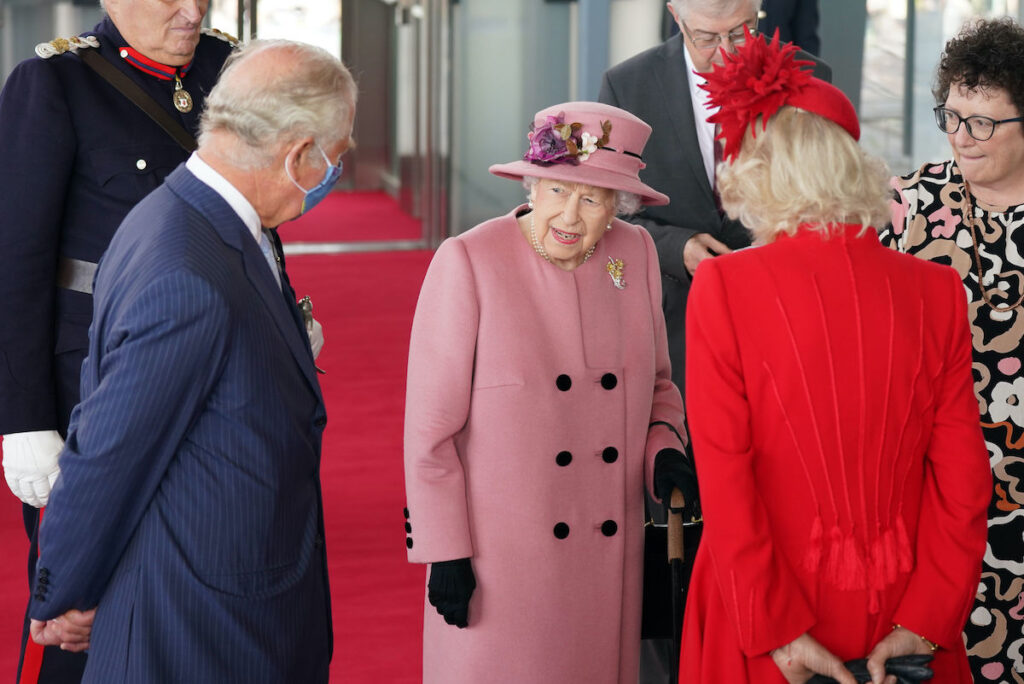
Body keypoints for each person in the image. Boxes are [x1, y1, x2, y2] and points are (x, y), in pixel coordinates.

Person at [24, 38, 355, 683]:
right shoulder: (188, 270)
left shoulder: (187, 213)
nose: (333, 175)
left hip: (224, 597)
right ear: (297, 155)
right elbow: (108, 452)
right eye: (335, 158)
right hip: (204, 627)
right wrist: (63, 594)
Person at [679, 32, 991, 684]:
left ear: (758, 170)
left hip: (767, 618)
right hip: (905, 613)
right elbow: (964, 485)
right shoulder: (936, 292)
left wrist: (779, 632)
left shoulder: (724, 288)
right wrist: (927, 619)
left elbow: (726, 484)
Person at [402, 101, 697, 684]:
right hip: (502, 562)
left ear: (620, 205)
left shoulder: (633, 254)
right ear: (532, 183)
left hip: (604, 558)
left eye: (592, 199)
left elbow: (660, 384)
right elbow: (429, 431)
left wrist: (663, 448)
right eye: (557, 190)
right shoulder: (469, 261)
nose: (570, 214)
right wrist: (444, 550)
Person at [0, 2, 236, 680]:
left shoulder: (229, 67)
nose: (192, 11)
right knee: (87, 607)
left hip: (220, 376)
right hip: (99, 385)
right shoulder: (56, 83)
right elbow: (15, 262)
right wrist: (24, 420)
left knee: (202, 586)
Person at [884, 17, 1024, 682]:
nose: (959, 137)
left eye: (983, 123)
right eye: (951, 115)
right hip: (936, 500)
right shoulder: (910, 203)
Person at [598, 0, 830, 398]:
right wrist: (677, 248)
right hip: (675, 327)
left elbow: (830, 198)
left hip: (784, 316)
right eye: (707, 37)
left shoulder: (809, 78)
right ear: (676, 18)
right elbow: (604, 211)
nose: (726, 52)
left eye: (741, 32)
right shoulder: (628, 85)